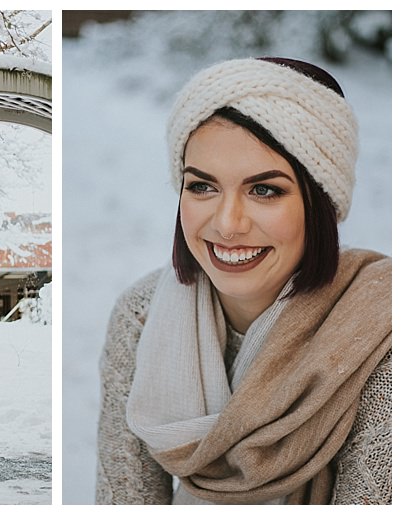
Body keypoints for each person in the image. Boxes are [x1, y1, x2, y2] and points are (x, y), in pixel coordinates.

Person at [96, 57, 391, 505]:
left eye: (264, 190)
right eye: (202, 187)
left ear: (322, 205)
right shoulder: (141, 315)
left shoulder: (381, 336)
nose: (228, 224)